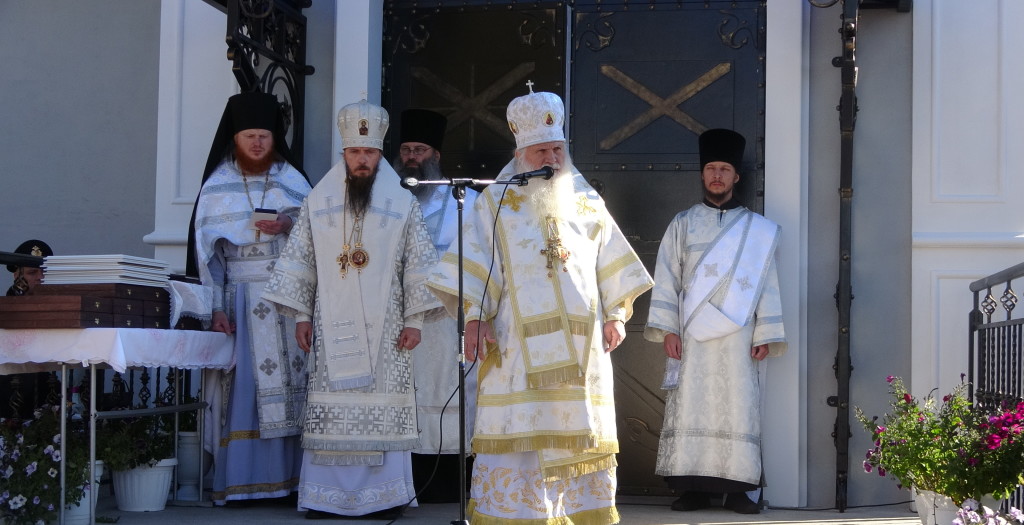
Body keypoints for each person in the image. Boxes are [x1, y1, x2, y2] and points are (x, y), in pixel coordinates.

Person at [426, 84, 654, 524]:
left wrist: (616, 313)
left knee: (576, 438)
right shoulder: (494, 201)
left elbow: (612, 263)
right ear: (521, 153)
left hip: (581, 345)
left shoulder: (587, 200)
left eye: (557, 149)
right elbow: (475, 262)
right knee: (523, 439)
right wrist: (475, 319)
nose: (552, 158)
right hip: (515, 345)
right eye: (541, 151)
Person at [262, 99, 440, 520]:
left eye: (371, 153)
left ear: (381, 155)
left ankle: (384, 498)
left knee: (379, 407)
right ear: (344, 153)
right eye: (356, 152)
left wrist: (415, 321)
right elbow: (302, 259)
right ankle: (326, 499)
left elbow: (417, 264)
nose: (363, 160)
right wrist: (302, 317)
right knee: (333, 404)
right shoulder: (316, 202)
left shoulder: (403, 204)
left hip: (389, 330)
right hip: (328, 322)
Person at [643, 128, 787, 514]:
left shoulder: (757, 229)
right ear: (703, 174)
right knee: (691, 406)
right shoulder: (683, 223)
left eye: (725, 168)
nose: (718, 175)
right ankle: (692, 488)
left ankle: (739, 490)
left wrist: (765, 332)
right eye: (711, 168)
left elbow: (766, 284)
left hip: (738, 337)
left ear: (736, 176)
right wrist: (670, 329)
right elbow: (668, 278)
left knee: (738, 408)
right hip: (692, 337)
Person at [188, 91, 312, 505]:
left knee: (298, 388)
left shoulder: (293, 180)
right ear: (234, 139)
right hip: (243, 300)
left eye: (264, 135)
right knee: (245, 392)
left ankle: (292, 483)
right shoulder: (218, 184)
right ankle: (244, 483)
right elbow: (210, 259)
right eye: (249, 137)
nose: (258, 144)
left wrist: (290, 223)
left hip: (291, 301)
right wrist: (217, 309)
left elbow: (319, 233)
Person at [392, 108, 477, 503]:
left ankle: (451, 483)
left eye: (420, 149)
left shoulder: (471, 202)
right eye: (407, 149)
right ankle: (409, 480)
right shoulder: (387, 202)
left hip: (449, 322)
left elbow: (483, 259)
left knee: (453, 394)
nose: (412, 156)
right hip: (402, 323)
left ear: (436, 156)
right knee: (408, 396)